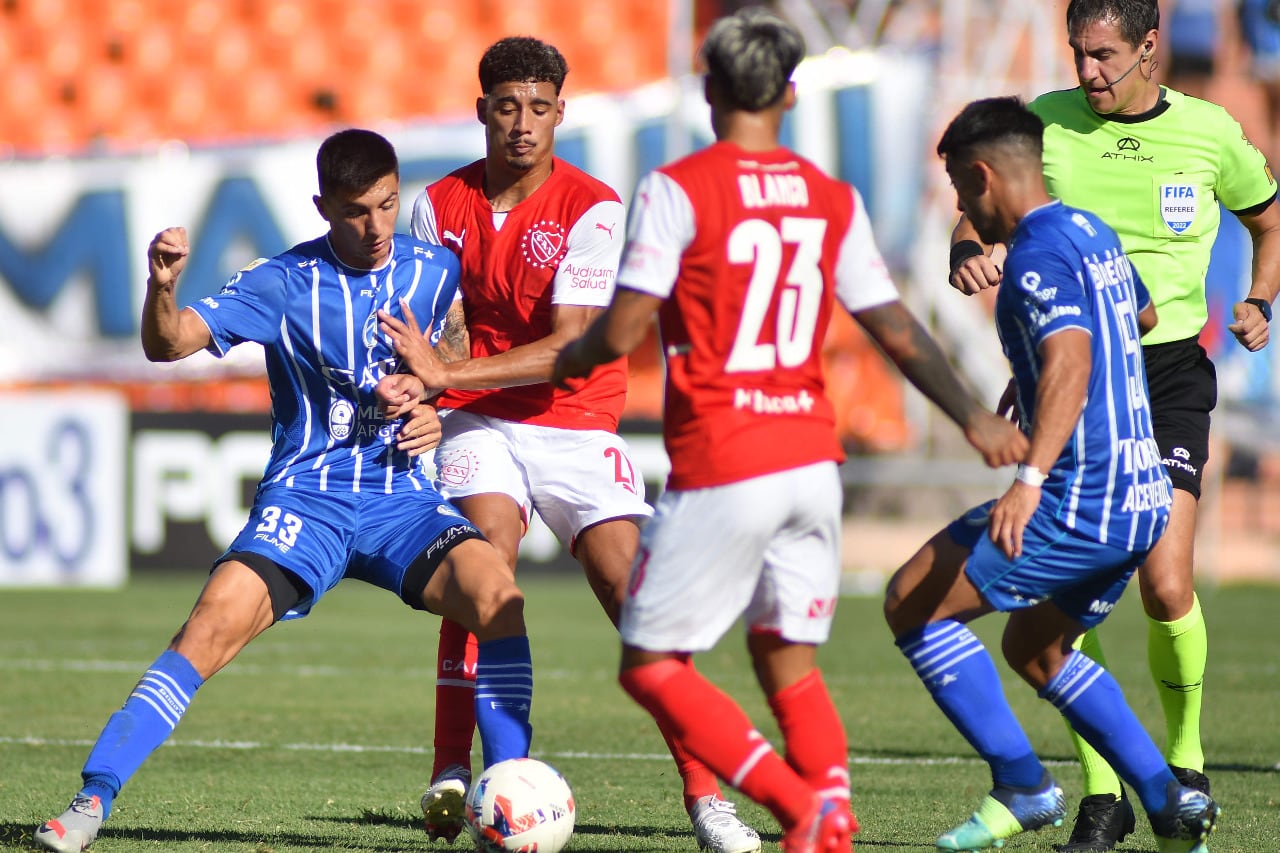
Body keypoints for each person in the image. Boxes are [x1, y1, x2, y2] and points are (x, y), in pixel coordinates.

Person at [551, 9, 1026, 852]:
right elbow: (895, 327)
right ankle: (831, 822)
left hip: (725, 458)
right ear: (793, 92)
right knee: (787, 661)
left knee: (651, 662)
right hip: (812, 458)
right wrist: (973, 416)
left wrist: (568, 356)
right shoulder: (829, 198)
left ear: (708, 90)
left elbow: (618, 335)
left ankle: (796, 803)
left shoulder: (679, 188)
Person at [32, 129, 535, 853]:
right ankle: (89, 799)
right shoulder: (283, 282)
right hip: (308, 502)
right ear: (322, 206)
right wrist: (162, 289)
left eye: (389, 206)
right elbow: (167, 344)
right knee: (205, 628)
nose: (376, 227)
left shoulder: (434, 269)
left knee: (500, 593)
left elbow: (452, 356)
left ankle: (511, 786)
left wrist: (435, 403)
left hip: (402, 502)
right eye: (358, 211)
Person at [374, 36, 760, 852]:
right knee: (485, 563)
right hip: (482, 419)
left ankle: (706, 797)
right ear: (481, 110)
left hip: (577, 420)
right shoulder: (436, 205)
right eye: (507, 106)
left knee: (635, 597)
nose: (523, 124)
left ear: (560, 112)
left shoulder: (592, 206)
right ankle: (459, 773)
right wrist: (424, 387)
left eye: (540, 108)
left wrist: (447, 373)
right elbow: (430, 326)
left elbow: (569, 346)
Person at [947, 1, 1280, 848]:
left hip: (1166, 375)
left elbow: (1268, 218)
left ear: (1148, 48)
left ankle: (1187, 761)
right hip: (1073, 375)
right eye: (1078, 54)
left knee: (1167, 582)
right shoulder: (1046, 125)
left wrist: (1259, 298)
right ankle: (1104, 793)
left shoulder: (1210, 134)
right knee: (1072, 595)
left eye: (1103, 55)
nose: (1088, 71)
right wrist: (966, 252)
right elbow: (974, 210)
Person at [887, 95, 1221, 853]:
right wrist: (1046, 377)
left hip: (1080, 496)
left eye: (960, 190)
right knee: (1036, 647)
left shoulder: (1035, 256)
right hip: (1140, 496)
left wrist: (1030, 474)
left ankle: (1022, 781)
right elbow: (1134, 319)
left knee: (911, 601)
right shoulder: (1088, 231)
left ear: (982, 176)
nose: (962, 208)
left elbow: (1072, 354)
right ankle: (1171, 802)